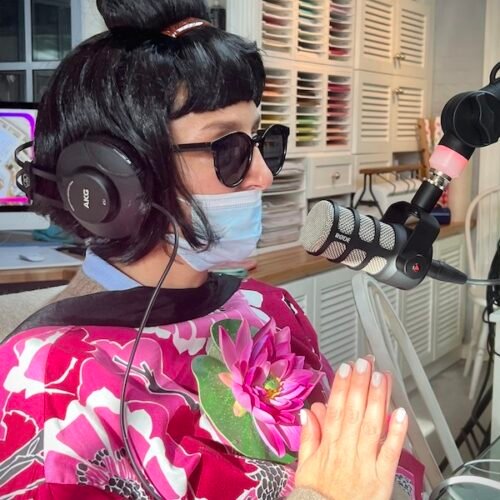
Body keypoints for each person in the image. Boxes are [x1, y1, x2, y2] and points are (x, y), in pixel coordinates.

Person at [0, 1, 421, 498]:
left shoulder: (269, 307)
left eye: (261, 142)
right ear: (114, 181)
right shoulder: (50, 386)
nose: (263, 175)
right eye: (228, 148)